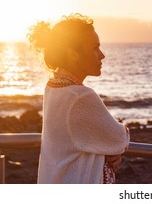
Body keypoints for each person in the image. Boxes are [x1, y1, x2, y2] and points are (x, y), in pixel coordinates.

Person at [28, 13, 130, 184]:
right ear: (73, 54)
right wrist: (117, 143)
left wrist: (108, 149)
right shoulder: (80, 97)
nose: (102, 55)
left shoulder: (54, 86)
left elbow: (81, 136)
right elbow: (118, 138)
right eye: (94, 48)